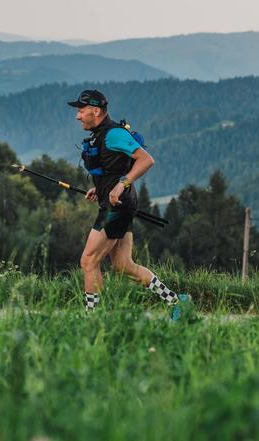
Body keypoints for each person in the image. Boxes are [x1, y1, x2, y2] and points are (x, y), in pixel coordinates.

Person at [67, 89, 189, 319]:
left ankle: (94, 319)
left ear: (96, 110)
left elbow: (146, 160)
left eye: (81, 111)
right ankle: (177, 302)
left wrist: (120, 184)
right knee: (123, 265)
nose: (78, 116)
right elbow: (113, 167)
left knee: (89, 260)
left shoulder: (113, 134)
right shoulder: (100, 135)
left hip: (117, 207)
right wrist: (101, 187)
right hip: (118, 203)